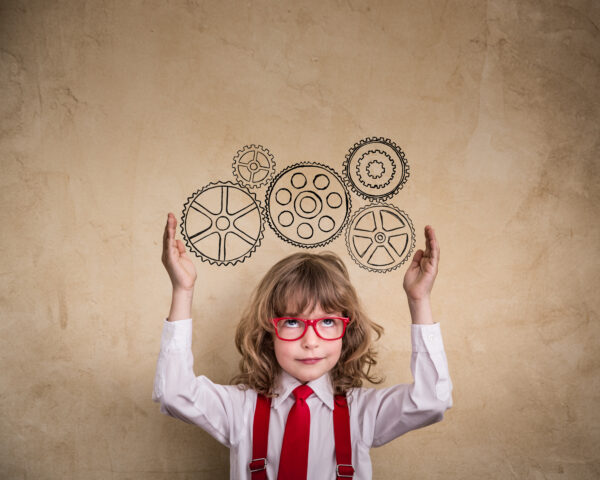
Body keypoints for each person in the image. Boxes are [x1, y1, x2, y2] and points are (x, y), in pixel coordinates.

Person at [153, 212, 453, 479]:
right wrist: (182, 290)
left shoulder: (362, 412)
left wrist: (419, 300)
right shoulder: (239, 408)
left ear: (346, 331)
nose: (311, 342)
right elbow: (173, 393)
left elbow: (431, 401)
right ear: (268, 330)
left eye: (327, 322)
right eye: (293, 322)